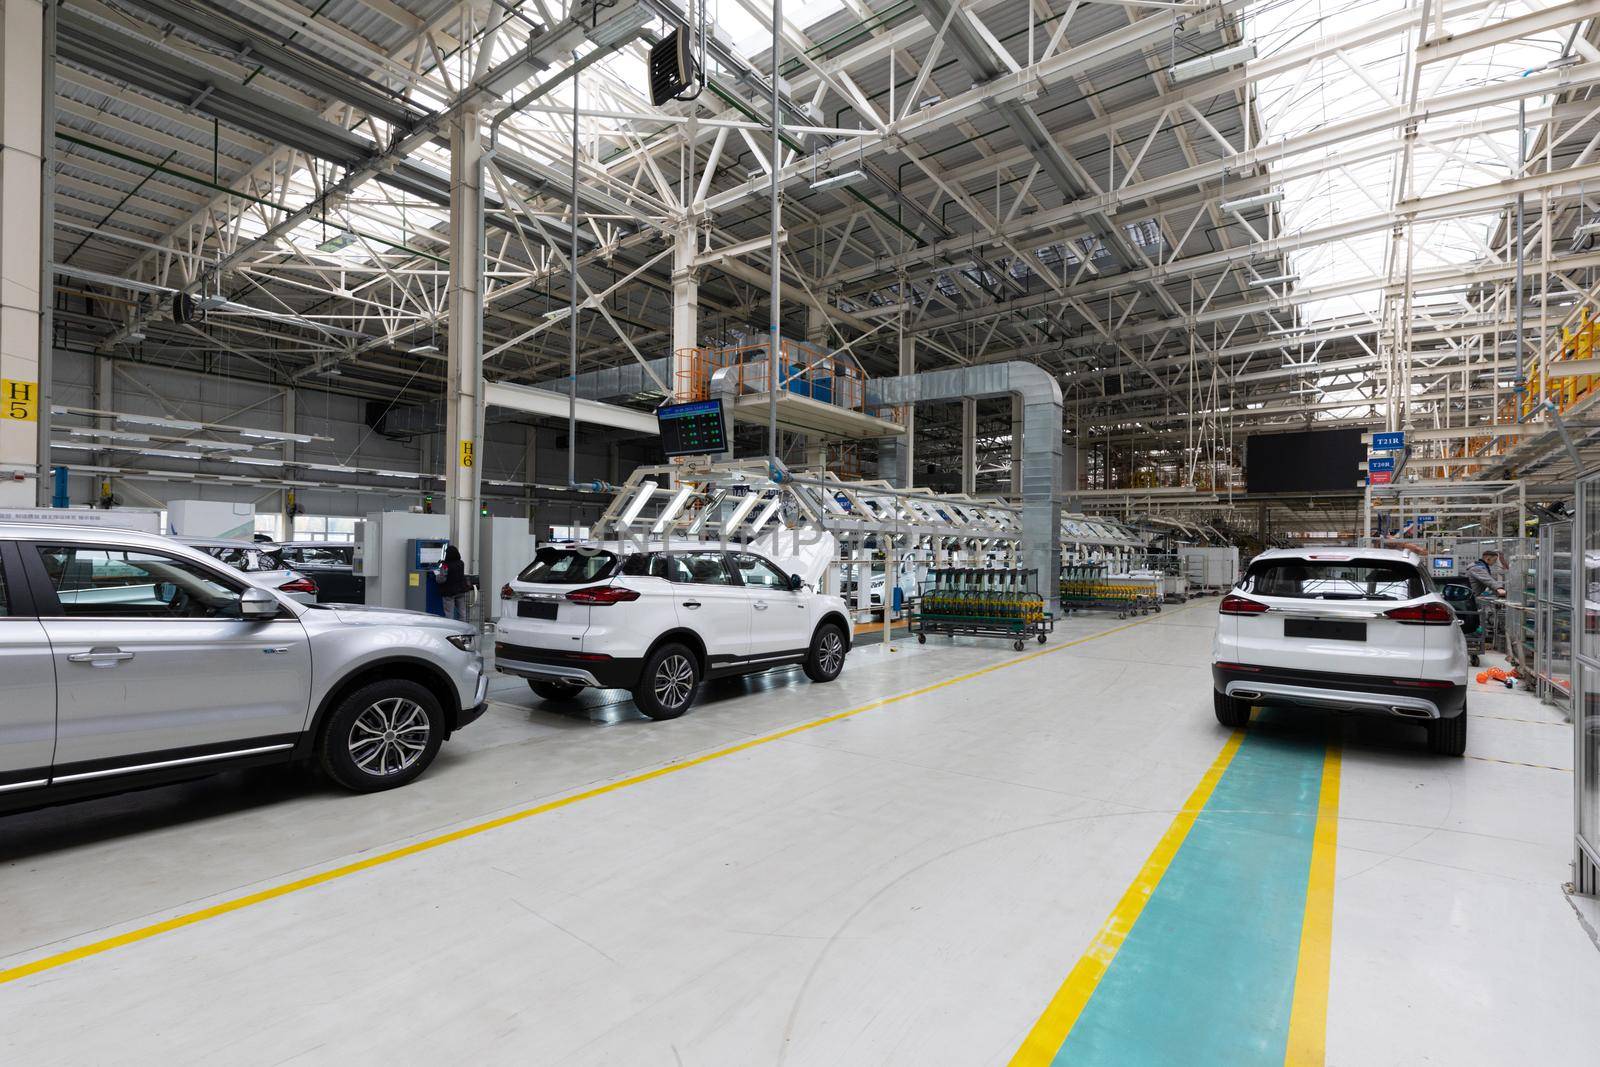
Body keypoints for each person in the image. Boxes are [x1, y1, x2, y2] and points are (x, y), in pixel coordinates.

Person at [436, 544, 471, 622]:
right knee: (462, 613)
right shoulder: (461, 563)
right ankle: (463, 629)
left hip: (449, 592)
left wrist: (436, 576)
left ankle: (451, 629)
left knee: (449, 614)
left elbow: (442, 579)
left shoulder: (445, 565)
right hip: (460, 590)